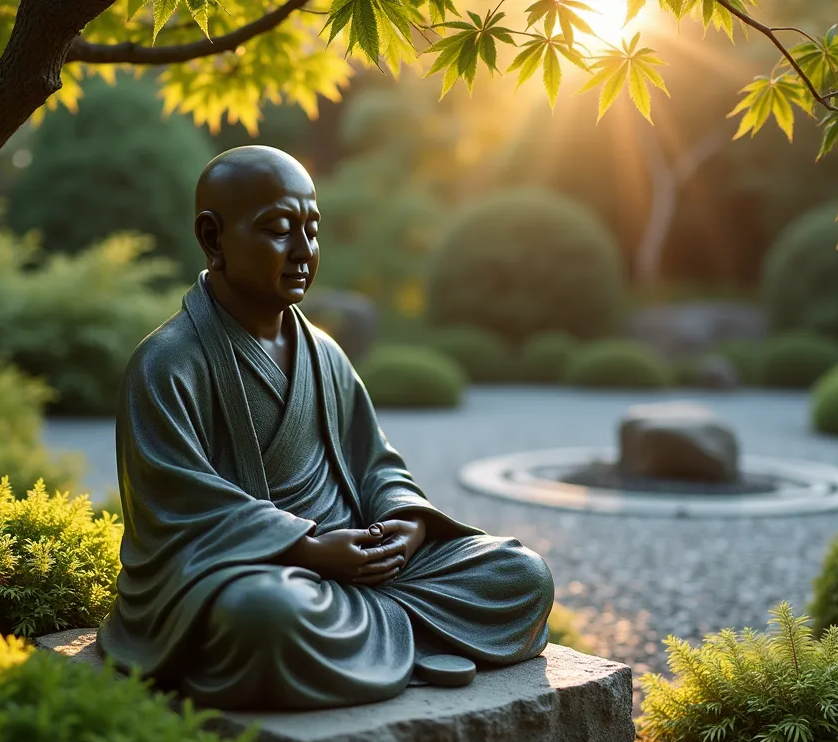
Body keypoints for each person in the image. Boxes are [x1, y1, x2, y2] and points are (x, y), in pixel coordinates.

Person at [96, 146, 555, 710]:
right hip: (267, 571)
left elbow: (375, 462)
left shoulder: (324, 352)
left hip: (364, 561)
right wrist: (308, 549)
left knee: (522, 575)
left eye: (312, 231)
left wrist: (405, 527)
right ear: (214, 239)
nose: (304, 253)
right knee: (263, 617)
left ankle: (377, 644)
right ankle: (412, 641)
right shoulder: (168, 362)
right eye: (278, 231)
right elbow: (178, 508)